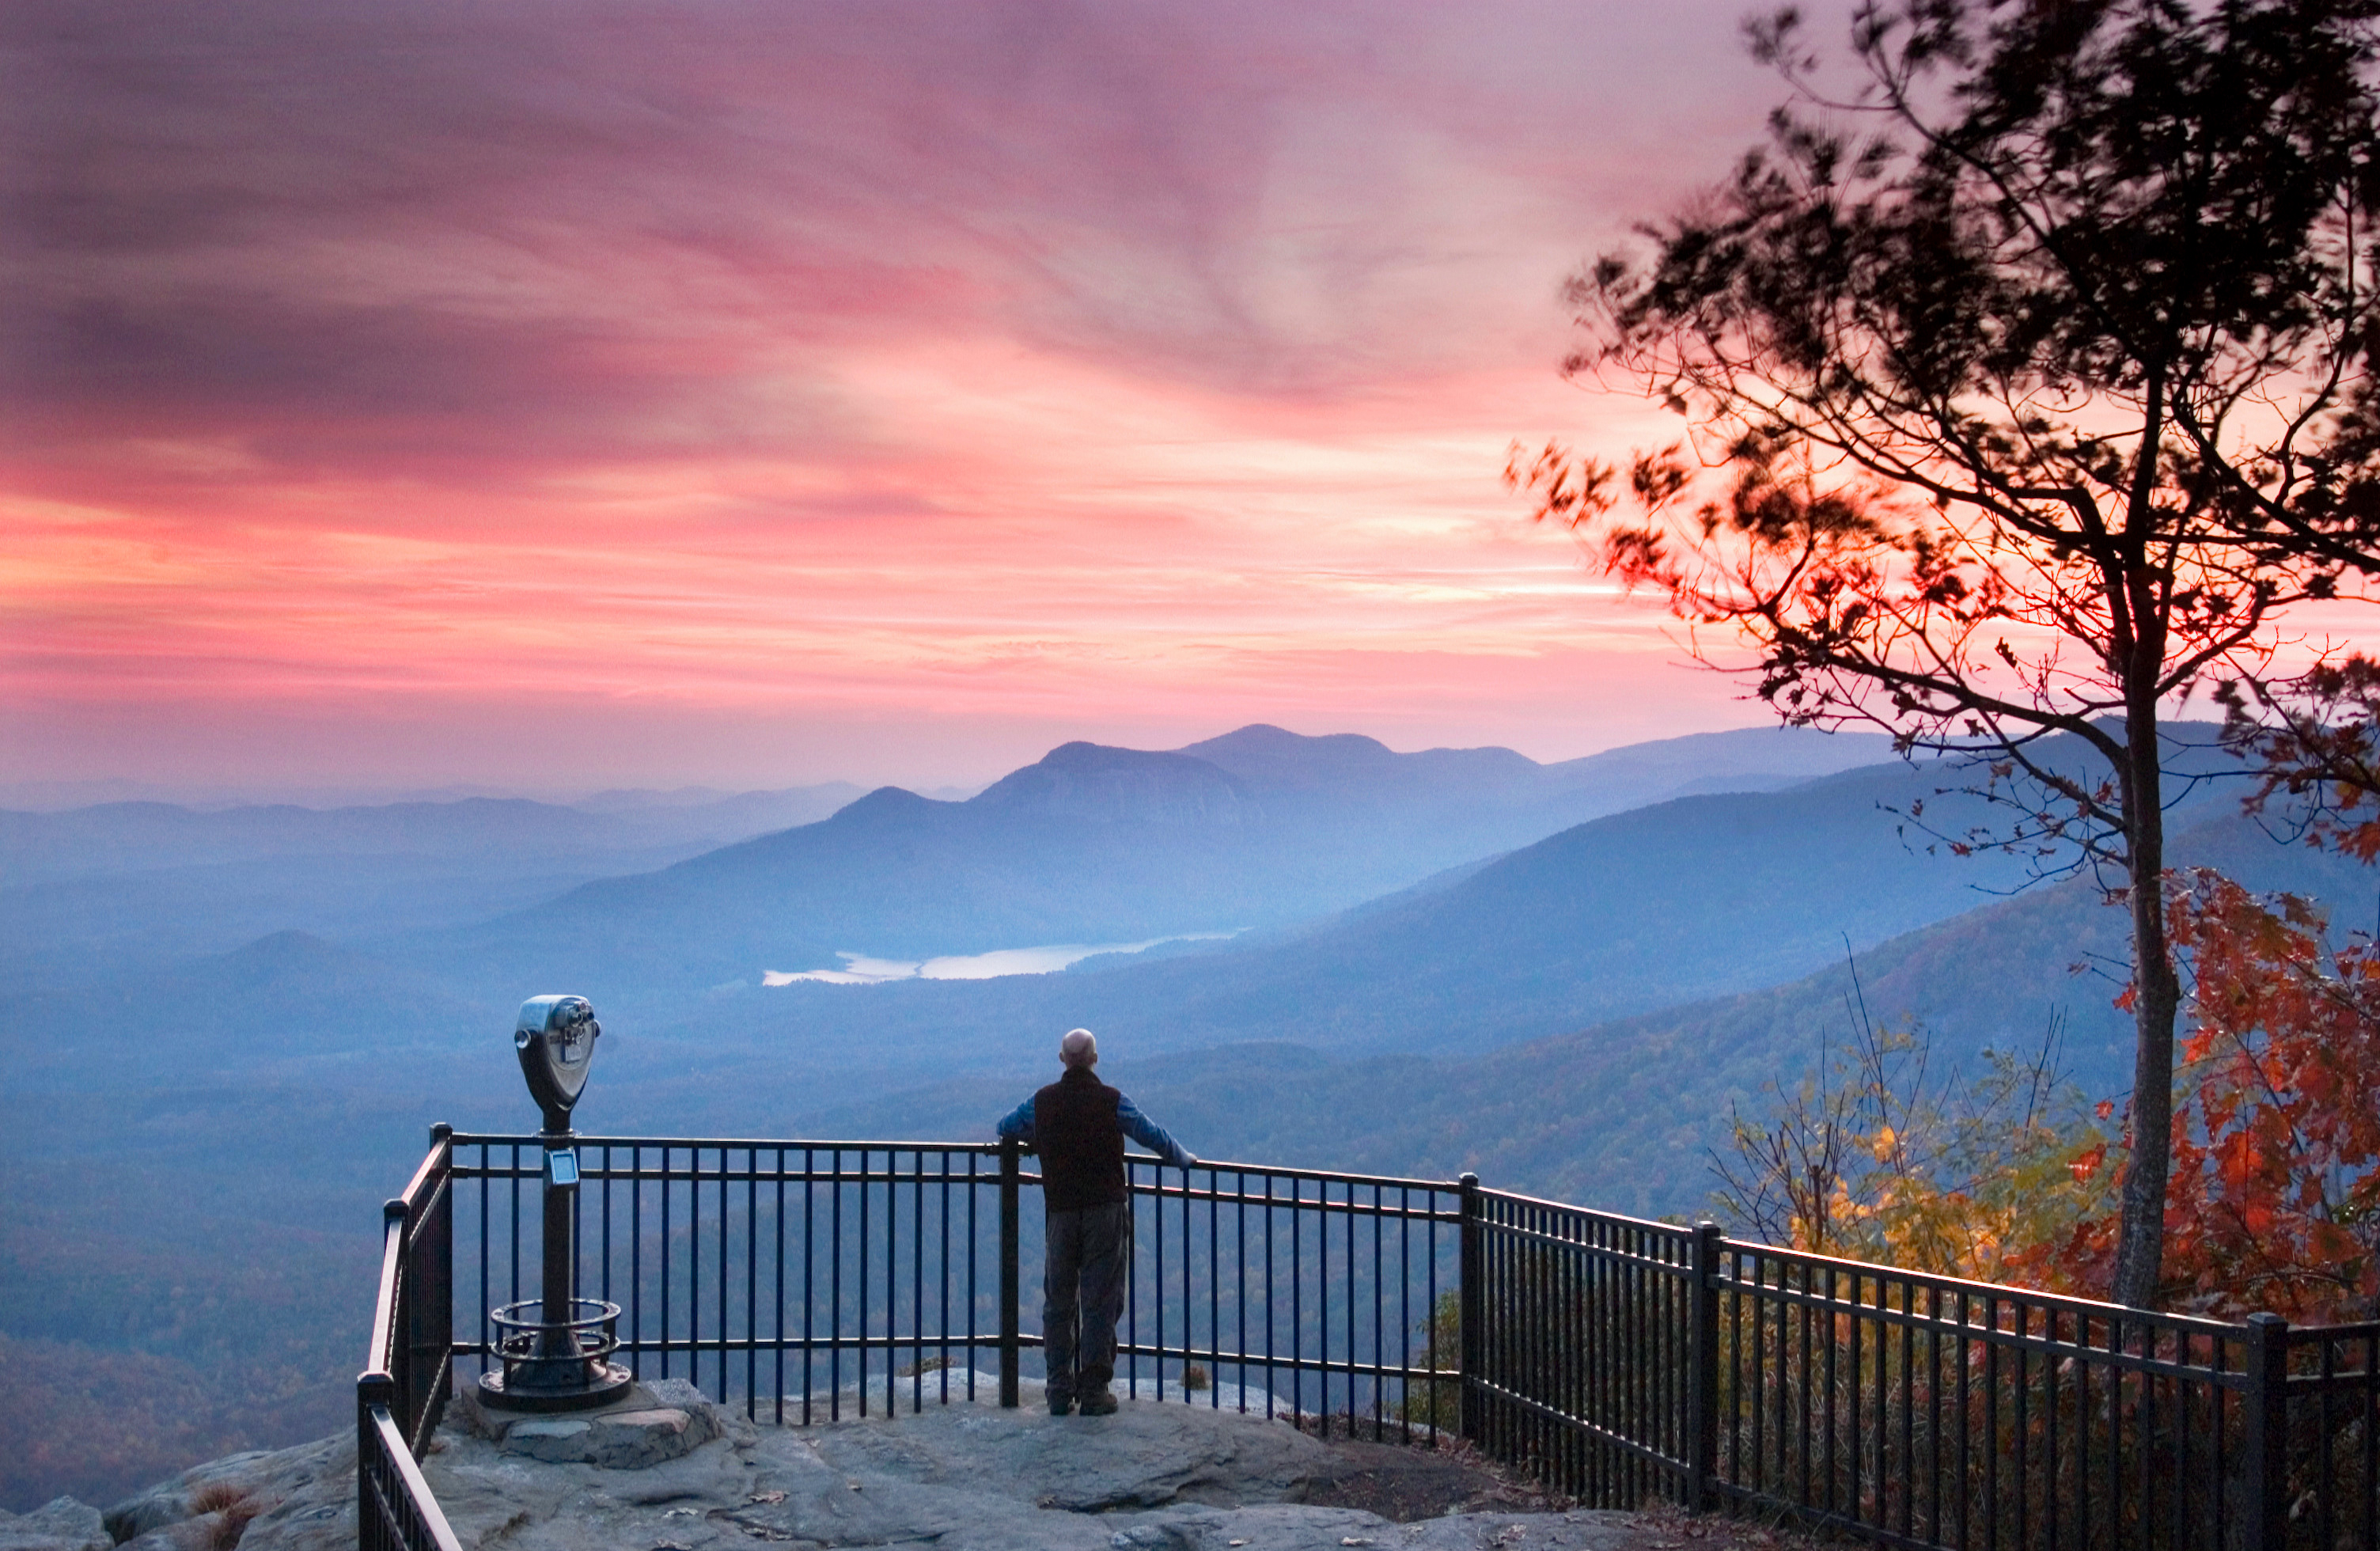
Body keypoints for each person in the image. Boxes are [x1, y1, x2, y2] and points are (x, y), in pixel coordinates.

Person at [995, 1026, 1195, 1416]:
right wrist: (1183, 1159)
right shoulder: (1112, 1101)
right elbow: (1151, 1135)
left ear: (1061, 1060)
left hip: (1061, 1212)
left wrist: (1039, 1140)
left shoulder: (1041, 1103)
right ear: (1095, 1059)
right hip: (1105, 1211)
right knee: (1101, 1300)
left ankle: (1057, 1390)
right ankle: (1094, 1391)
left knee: (1059, 1302)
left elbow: (1005, 1127)